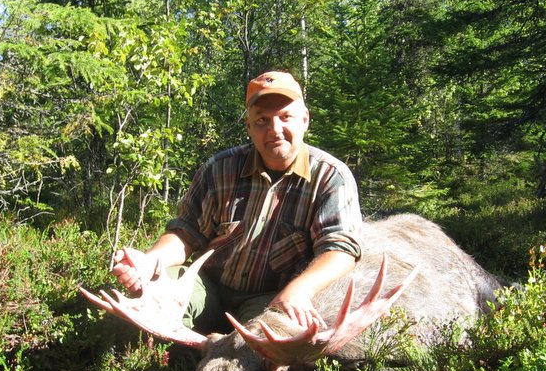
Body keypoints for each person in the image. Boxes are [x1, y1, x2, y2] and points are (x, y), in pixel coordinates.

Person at [111, 70, 363, 333]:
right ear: (249, 126)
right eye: (262, 120)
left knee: (261, 344)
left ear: (305, 120)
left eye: (285, 117)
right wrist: (151, 260)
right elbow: (187, 233)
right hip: (208, 286)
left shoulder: (330, 177)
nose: (275, 130)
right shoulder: (219, 169)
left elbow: (341, 250)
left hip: (271, 298)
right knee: (152, 301)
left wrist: (300, 290)